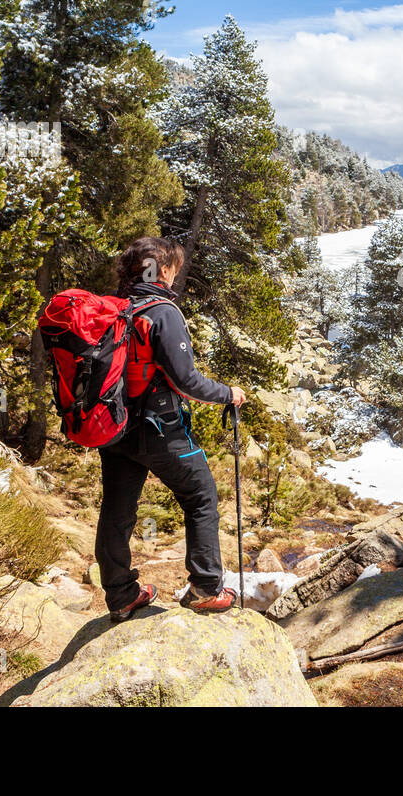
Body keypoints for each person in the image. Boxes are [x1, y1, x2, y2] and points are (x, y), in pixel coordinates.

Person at [96, 236, 246, 623]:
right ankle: (205, 588)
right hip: (160, 429)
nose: (175, 275)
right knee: (200, 497)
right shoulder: (162, 312)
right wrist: (228, 393)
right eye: (173, 268)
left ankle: (122, 595)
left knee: (117, 510)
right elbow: (186, 381)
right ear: (161, 269)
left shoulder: (113, 308)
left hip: (114, 430)